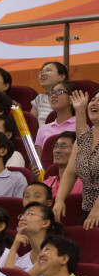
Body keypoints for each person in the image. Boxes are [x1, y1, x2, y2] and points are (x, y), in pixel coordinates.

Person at [53, 90, 99, 229]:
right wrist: (59, 200)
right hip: (88, 211)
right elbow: (70, 173)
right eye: (93, 100)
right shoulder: (83, 140)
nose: (94, 103)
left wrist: (97, 208)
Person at [6, 202, 64, 272]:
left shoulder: (53, 251)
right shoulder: (23, 259)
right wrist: (14, 247)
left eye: (30, 214)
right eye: (21, 215)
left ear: (45, 223)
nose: (21, 218)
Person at [35, 81, 77, 158]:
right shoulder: (42, 129)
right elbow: (40, 160)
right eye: (51, 93)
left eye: (59, 92)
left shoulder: (80, 125)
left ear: (71, 99)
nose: (53, 95)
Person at [44, 132, 82, 197]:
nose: (57, 150)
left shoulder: (85, 184)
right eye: (55, 146)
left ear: (77, 151)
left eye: (63, 146)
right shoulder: (46, 184)